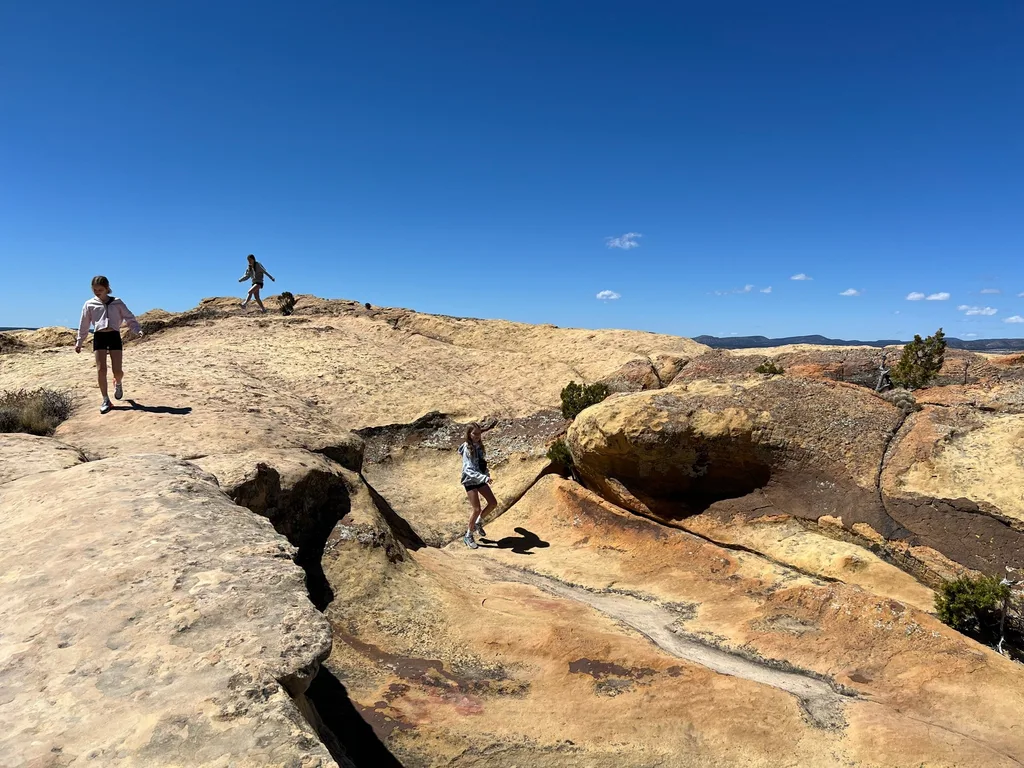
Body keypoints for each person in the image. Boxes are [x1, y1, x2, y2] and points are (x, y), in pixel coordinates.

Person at [75, 275, 143, 414]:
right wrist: (79, 342)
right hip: (99, 336)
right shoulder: (89, 304)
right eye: (94, 289)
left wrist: (137, 329)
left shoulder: (117, 302)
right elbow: (84, 324)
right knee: (101, 369)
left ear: (107, 288)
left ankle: (118, 382)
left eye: (100, 289)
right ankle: (106, 400)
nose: (97, 292)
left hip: (114, 336)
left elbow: (129, 317)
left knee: (117, 371)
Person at [458, 420, 498, 549]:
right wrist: (483, 477)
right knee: (476, 509)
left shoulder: (479, 446)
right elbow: (467, 469)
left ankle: (478, 522)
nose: (477, 436)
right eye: (474, 434)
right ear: (469, 434)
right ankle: (468, 536)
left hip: (480, 479)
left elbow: (482, 464)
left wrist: (486, 474)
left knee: (493, 503)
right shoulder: (467, 447)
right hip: (470, 481)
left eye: (479, 434)